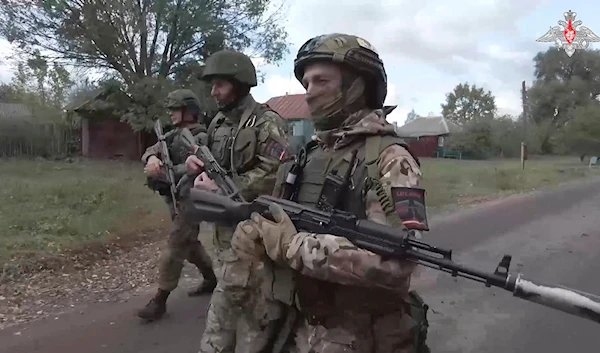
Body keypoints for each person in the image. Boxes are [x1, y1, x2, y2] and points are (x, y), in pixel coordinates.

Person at [230, 33, 431, 353]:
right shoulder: (310, 154)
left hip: (360, 335)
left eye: (321, 81)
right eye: (306, 83)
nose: (308, 93)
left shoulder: (389, 160)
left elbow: (397, 264)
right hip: (297, 322)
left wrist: (294, 246)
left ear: (357, 87)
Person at [184, 50, 291, 353]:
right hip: (221, 232)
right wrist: (196, 166)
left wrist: (232, 191)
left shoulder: (266, 121)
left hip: (255, 234)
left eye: (220, 85)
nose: (214, 92)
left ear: (241, 84)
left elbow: (276, 170)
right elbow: (211, 160)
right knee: (228, 302)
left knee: (254, 315)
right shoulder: (218, 123)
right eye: (213, 85)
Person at [137, 89, 217, 321]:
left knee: (175, 245)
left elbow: (201, 166)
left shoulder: (200, 136)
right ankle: (211, 279)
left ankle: (160, 301)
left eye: (175, 108)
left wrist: (169, 170)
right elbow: (154, 149)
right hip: (174, 197)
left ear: (189, 111)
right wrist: (152, 159)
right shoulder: (171, 135)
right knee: (189, 243)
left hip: (192, 198)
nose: (171, 113)